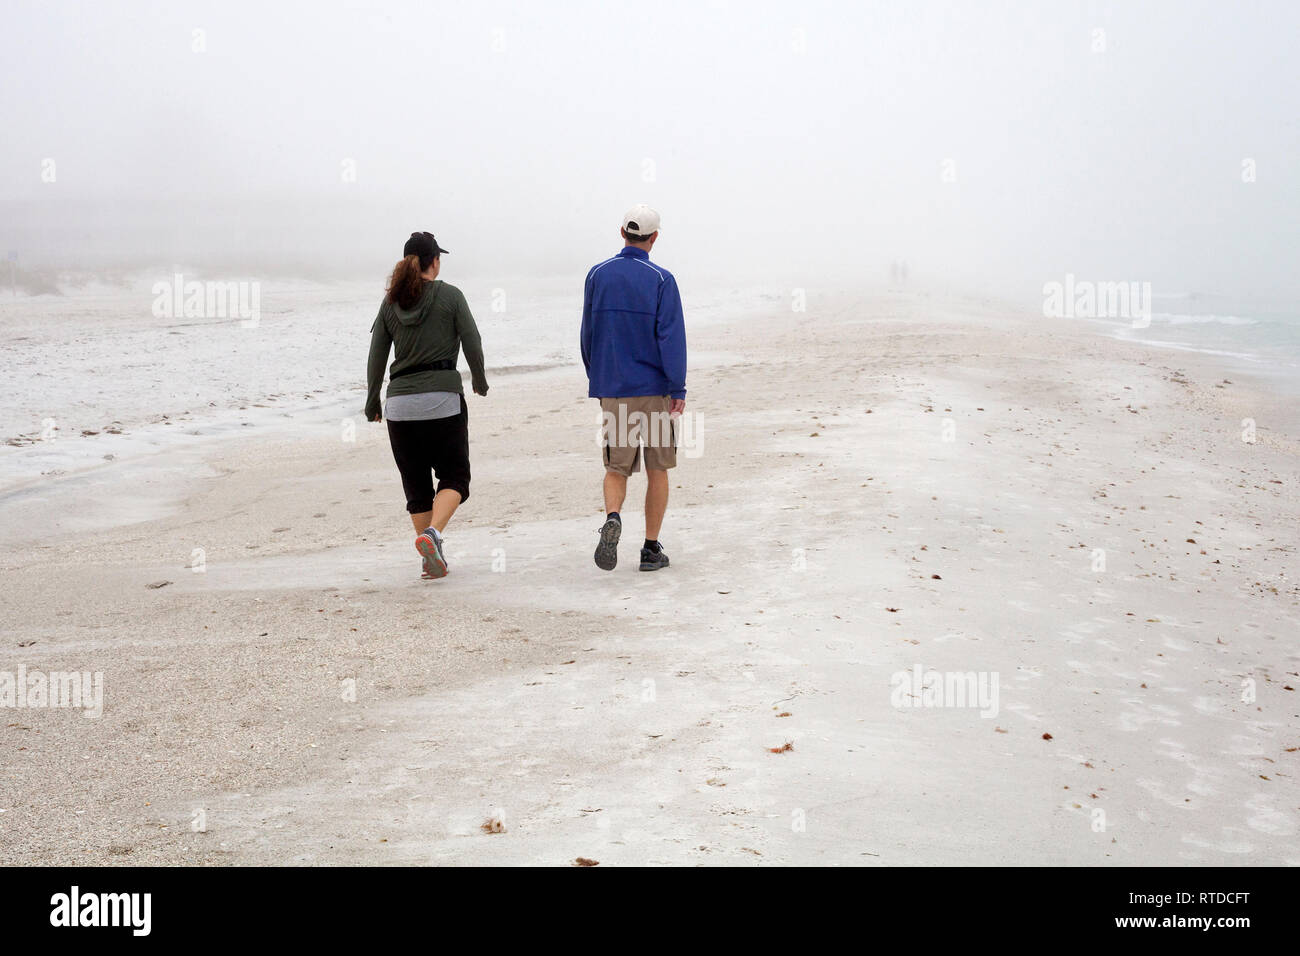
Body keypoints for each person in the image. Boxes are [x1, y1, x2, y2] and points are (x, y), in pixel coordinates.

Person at [366, 231, 488, 579]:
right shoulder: (450, 295)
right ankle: (433, 535)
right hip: (442, 401)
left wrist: (373, 399)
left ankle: (429, 557)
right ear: (433, 261)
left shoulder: (390, 302)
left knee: (416, 485)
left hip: (400, 407)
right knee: (455, 477)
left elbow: (377, 355)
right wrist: (478, 380)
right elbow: (472, 340)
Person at [580, 204, 687, 572]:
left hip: (615, 389)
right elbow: (670, 338)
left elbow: (588, 335)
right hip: (655, 389)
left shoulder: (597, 275)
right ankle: (651, 548)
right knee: (658, 468)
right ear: (654, 238)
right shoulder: (661, 280)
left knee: (616, 468)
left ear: (621, 232)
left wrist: (600, 378)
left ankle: (613, 517)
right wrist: (678, 389)